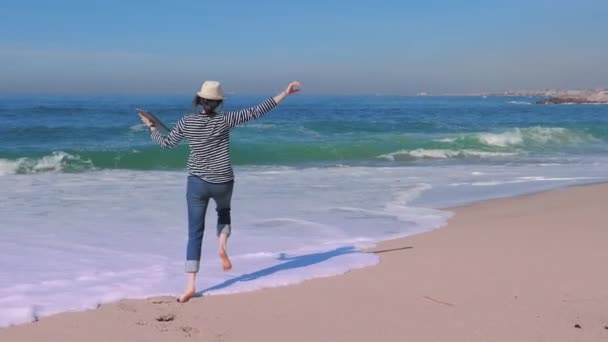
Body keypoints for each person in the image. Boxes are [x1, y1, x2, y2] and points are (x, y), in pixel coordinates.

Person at [139, 80, 301, 302]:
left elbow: (167, 144)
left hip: (197, 183)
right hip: (223, 181)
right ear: (218, 102)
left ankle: (189, 286)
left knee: (194, 233)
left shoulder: (187, 121)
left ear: (199, 100)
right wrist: (285, 92)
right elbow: (257, 111)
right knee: (224, 212)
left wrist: (151, 128)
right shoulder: (226, 119)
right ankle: (222, 245)